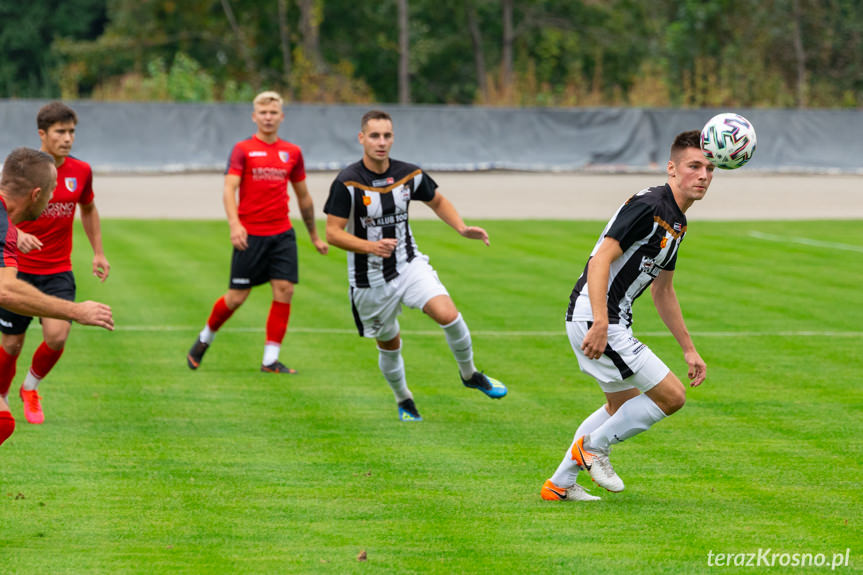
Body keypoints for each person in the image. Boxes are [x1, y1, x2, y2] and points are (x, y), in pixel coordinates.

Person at [540, 130, 709, 502]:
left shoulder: (677, 222)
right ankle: (593, 449)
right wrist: (601, 321)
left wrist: (689, 349)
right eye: (694, 166)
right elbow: (600, 258)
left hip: (609, 319)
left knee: (619, 406)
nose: (704, 175)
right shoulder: (648, 204)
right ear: (672, 168)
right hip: (597, 317)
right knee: (672, 396)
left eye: (710, 168)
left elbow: (663, 290)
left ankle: (559, 484)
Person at [323, 110, 507, 422]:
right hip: (369, 282)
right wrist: (371, 247)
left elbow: (437, 200)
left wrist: (461, 228)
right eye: (375, 136)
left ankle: (470, 374)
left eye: (387, 136)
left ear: (392, 138)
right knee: (389, 343)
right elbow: (333, 233)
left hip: (409, 265)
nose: (381, 142)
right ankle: (404, 399)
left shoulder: (409, 175)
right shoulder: (347, 182)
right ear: (362, 139)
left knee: (448, 314)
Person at [187, 91, 328, 373]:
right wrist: (235, 224)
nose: (268, 117)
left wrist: (314, 235)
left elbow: (304, 197)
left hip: (282, 234)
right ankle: (205, 338)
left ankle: (270, 360)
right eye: (263, 113)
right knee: (237, 297)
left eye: (273, 113)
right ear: (254, 116)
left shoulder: (293, 153)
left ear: (281, 117)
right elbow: (229, 188)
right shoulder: (243, 149)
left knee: (284, 290)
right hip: (250, 235)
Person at [0, 102, 111, 425]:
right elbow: (6, 290)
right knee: (11, 343)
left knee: (57, 336)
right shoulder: (21, 173)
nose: (67, 138)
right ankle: (3, 396)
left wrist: (99, 252)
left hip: (56, 268)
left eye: (71, 132)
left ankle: (30, 388)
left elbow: (88, 209)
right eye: (60, 131)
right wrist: (13, 233)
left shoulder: (81, 171)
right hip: (18, 267)